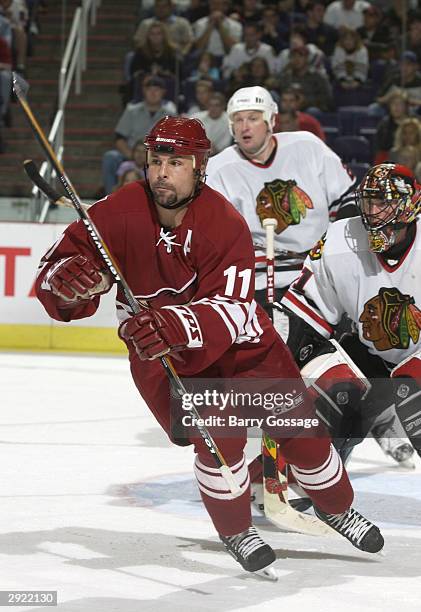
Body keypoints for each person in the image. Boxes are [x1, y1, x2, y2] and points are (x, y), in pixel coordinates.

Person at [35, 116, 383, 575]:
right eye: (156, 160)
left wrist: (176, 324)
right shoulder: (114, 214)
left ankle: (335, 507)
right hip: (165, 358)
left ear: (199, 166)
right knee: (218, 439)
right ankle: (236, 528)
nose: (162, 172)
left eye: (175, 162)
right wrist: (66, 283)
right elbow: (53, 271)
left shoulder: (224, 222)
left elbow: (236, 309)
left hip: (244, 350)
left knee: (306, 439)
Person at [279, 162, 421, 464]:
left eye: (382, 202)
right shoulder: (340, 239)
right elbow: (307, 318)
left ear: (409, 206)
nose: (372, 211)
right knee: (333, 393)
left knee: (413, 388)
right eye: (368, 201)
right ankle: (310, 481)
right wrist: (287, 369)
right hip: (377, 355)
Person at [206, 86, 355, 305]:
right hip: (259, 280)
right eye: (238, 120)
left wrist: (332, 248)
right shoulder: (217, 169)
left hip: (320, 273)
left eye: (253, 118)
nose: (244, 127)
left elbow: (348, 199)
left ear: (270, 120)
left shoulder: (308, 145)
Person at [101, 76, 175, 195]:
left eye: (157, 90)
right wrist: (132, 155)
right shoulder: (132, 110)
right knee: (110, 157)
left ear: (163, 92)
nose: (153, 93)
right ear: (144, 91)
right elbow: (119, 138)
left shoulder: (170, 114)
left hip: (158, 156)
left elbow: (173, 142)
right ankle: (110, 197)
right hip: (132, 153)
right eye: (149, 89)